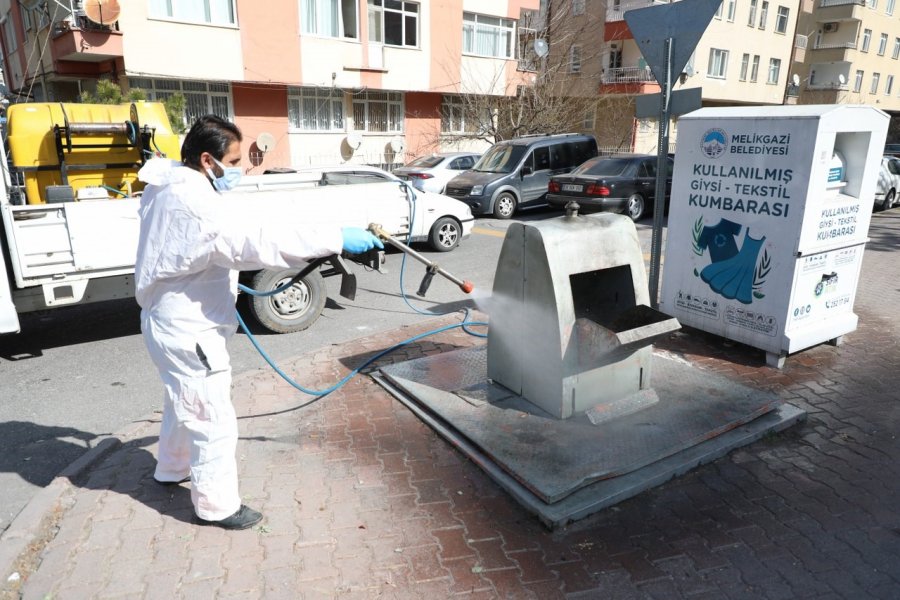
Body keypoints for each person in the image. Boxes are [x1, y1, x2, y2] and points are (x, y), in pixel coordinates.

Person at [135, 115, 382, 530]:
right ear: (208, 160)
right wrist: (336, 238)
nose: (238, 169)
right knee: (211, 416)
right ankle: (216, 507)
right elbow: (254, 242)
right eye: (233, 162)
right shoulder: (194, 205)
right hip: (188, 330)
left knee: (184, 401)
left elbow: (242, 229)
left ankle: (171, 468)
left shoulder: (172, 184)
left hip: (170, 321)